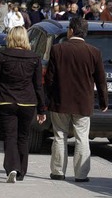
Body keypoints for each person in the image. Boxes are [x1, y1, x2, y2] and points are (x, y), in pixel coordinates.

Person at [0, 26, 46, 182]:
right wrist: (42, 110)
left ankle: (12, 168)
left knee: (9, 136)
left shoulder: (2, 55)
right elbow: (38, 86)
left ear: (11, 38)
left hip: (5, 100)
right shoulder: (34, 58)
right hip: (28, 103)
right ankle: (21, 171)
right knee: (23, 137)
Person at [45, 17, 108, 182]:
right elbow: (101, 81)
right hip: (83, 102)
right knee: (82, 137)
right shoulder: (94, 52)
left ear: (71, 30)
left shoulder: (57, 50)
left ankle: (58, 171)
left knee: (59, 135)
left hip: (60, 101)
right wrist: (103, 102)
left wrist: (47, 99)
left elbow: (50, 79)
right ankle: (81, 174)